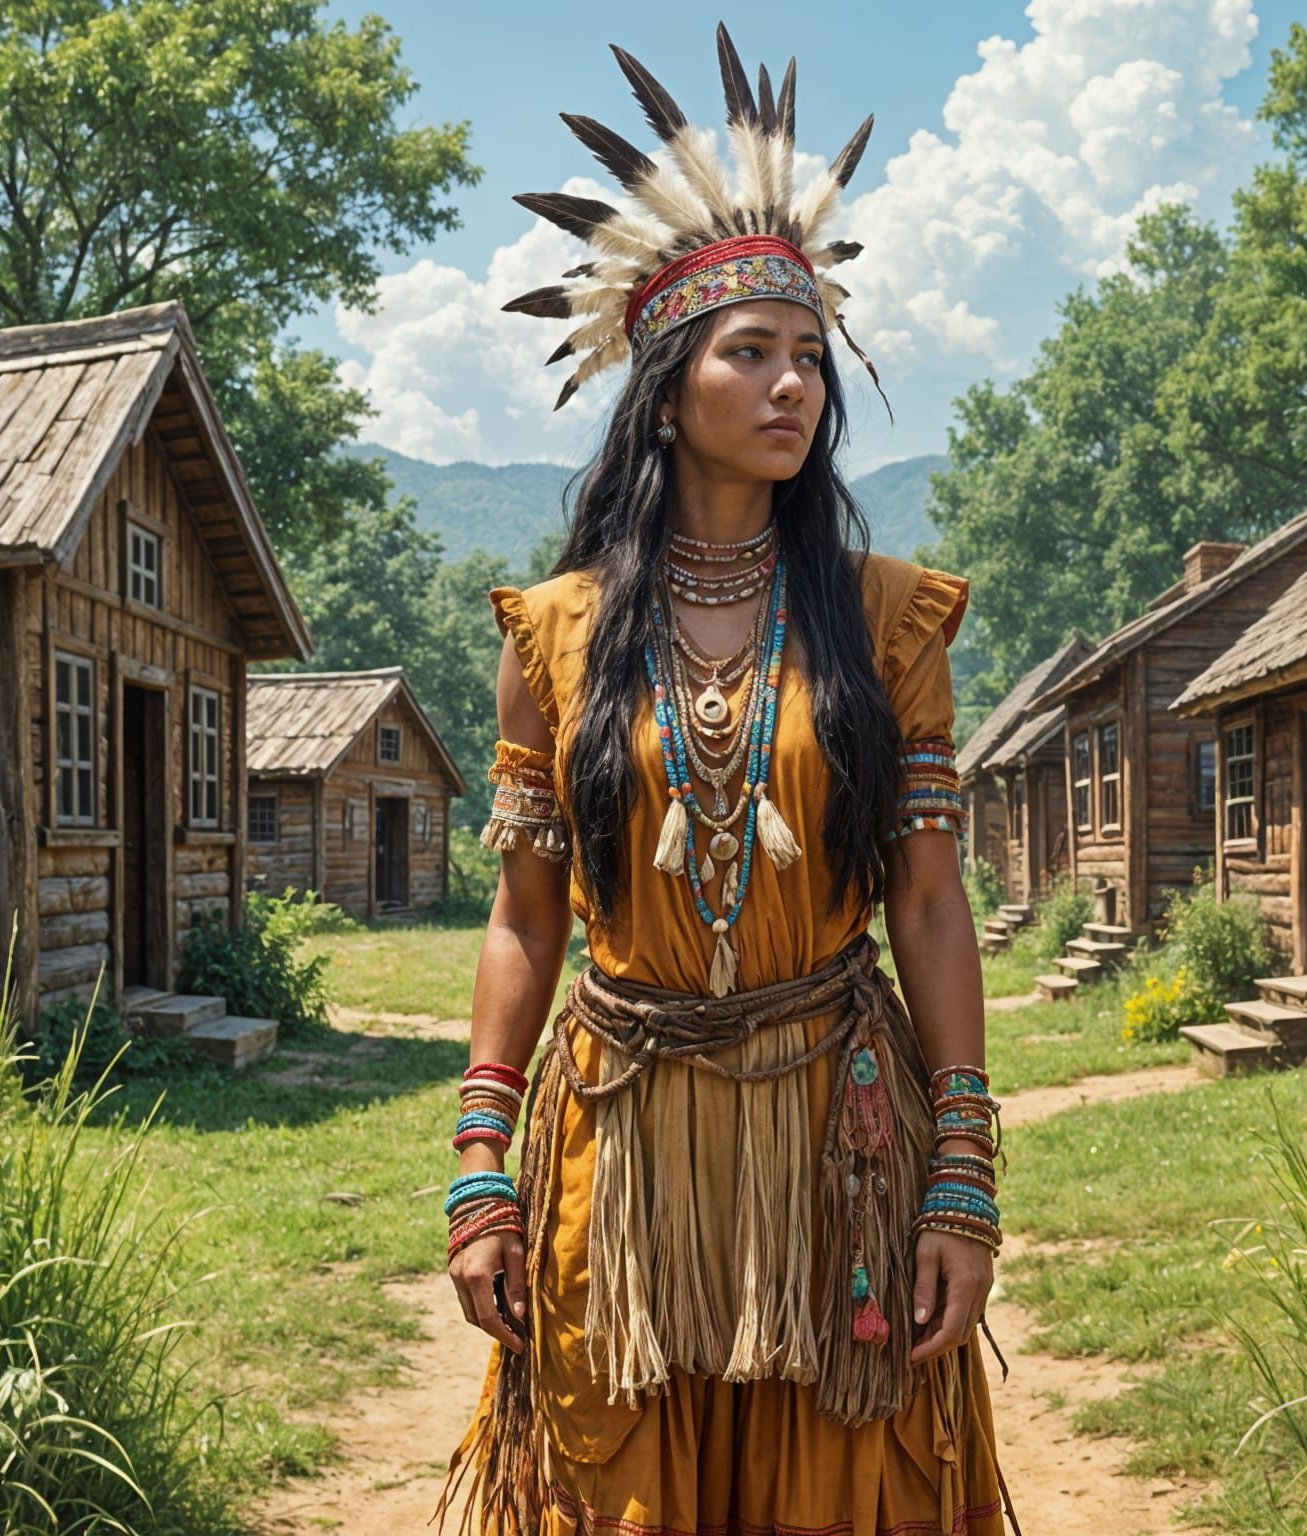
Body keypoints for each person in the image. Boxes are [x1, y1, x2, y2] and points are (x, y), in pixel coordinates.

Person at [438, 26, 1014, 1536]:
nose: (791, 385)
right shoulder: (553, 635)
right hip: (617, 1135)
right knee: (615, 1492)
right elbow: (524, 917)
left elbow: (933, 906)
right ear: (665, 380)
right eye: (750, 351)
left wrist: (962, 1174)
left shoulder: (887, 620)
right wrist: (479, 1164)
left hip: (842, 1140)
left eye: (811, 355)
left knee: (843, 1495)